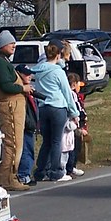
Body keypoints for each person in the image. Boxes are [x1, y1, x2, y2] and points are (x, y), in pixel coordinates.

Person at [31, 42, 80, 181]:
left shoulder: (38, 70)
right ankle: (56, 171)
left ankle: (40, 171)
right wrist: (74, 113)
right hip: (58, 107)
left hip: (43, 106)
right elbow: (66, 93)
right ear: (58, 56)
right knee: (56, 141)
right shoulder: (58, 72)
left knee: (46, 141)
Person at [0, 30, 32, 191]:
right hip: (9, 107)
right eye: (10, 43)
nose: (14, 45)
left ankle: (6, 177)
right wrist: (23, 87)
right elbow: (6, 86)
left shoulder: (4, 61)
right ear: (2, 45)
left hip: (13, 106)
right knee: (13, 144)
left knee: (13, 143)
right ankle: (9, 178)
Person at [15, 64, 39, 186]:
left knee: (29, 150)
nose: (29, 76)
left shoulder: (28, 90)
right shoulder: (20, 91)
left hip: (31, 125)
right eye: (26, 74)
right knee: (25, 151)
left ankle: (26, 173)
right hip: (25, 125)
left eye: (30, 73)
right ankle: (23, 175)